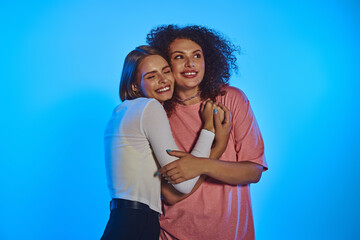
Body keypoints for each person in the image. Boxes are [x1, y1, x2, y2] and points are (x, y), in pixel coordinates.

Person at [147, 25, 268, 239]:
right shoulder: (157, 113)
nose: (190, 63)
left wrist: (201, 165)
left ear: (207, 61)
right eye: (178, 57)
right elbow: (170, 196)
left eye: (196, 55)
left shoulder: (231, 99)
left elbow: (253, 171)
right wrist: (215, 147)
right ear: (166, 65)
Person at [101, 45, 228, 240]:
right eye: (151, 76)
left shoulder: (120, 112)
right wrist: (210, 131)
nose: (163, 80)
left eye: (166, 71)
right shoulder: (149, 107)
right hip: (139, 221)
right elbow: (183, 184)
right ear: (134, 86)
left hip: (121, 218)